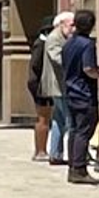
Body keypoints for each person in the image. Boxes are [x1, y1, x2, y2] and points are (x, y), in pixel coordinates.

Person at [56, 10, 99, 185]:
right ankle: (79, 168)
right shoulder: (87, 44)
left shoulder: (68, 44)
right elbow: (88, 68)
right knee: (84, 130)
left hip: (71, 91)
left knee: (75, 130)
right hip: (84, 93)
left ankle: (73, 167)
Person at [31, 9, 66, 164]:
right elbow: (36, 65)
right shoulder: (42, 43)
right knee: (43, 118)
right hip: (40, 84)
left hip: (43, 83)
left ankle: (45, 150)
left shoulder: (44, 42)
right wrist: (40, 85)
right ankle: (40, 150)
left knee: (50, 118)